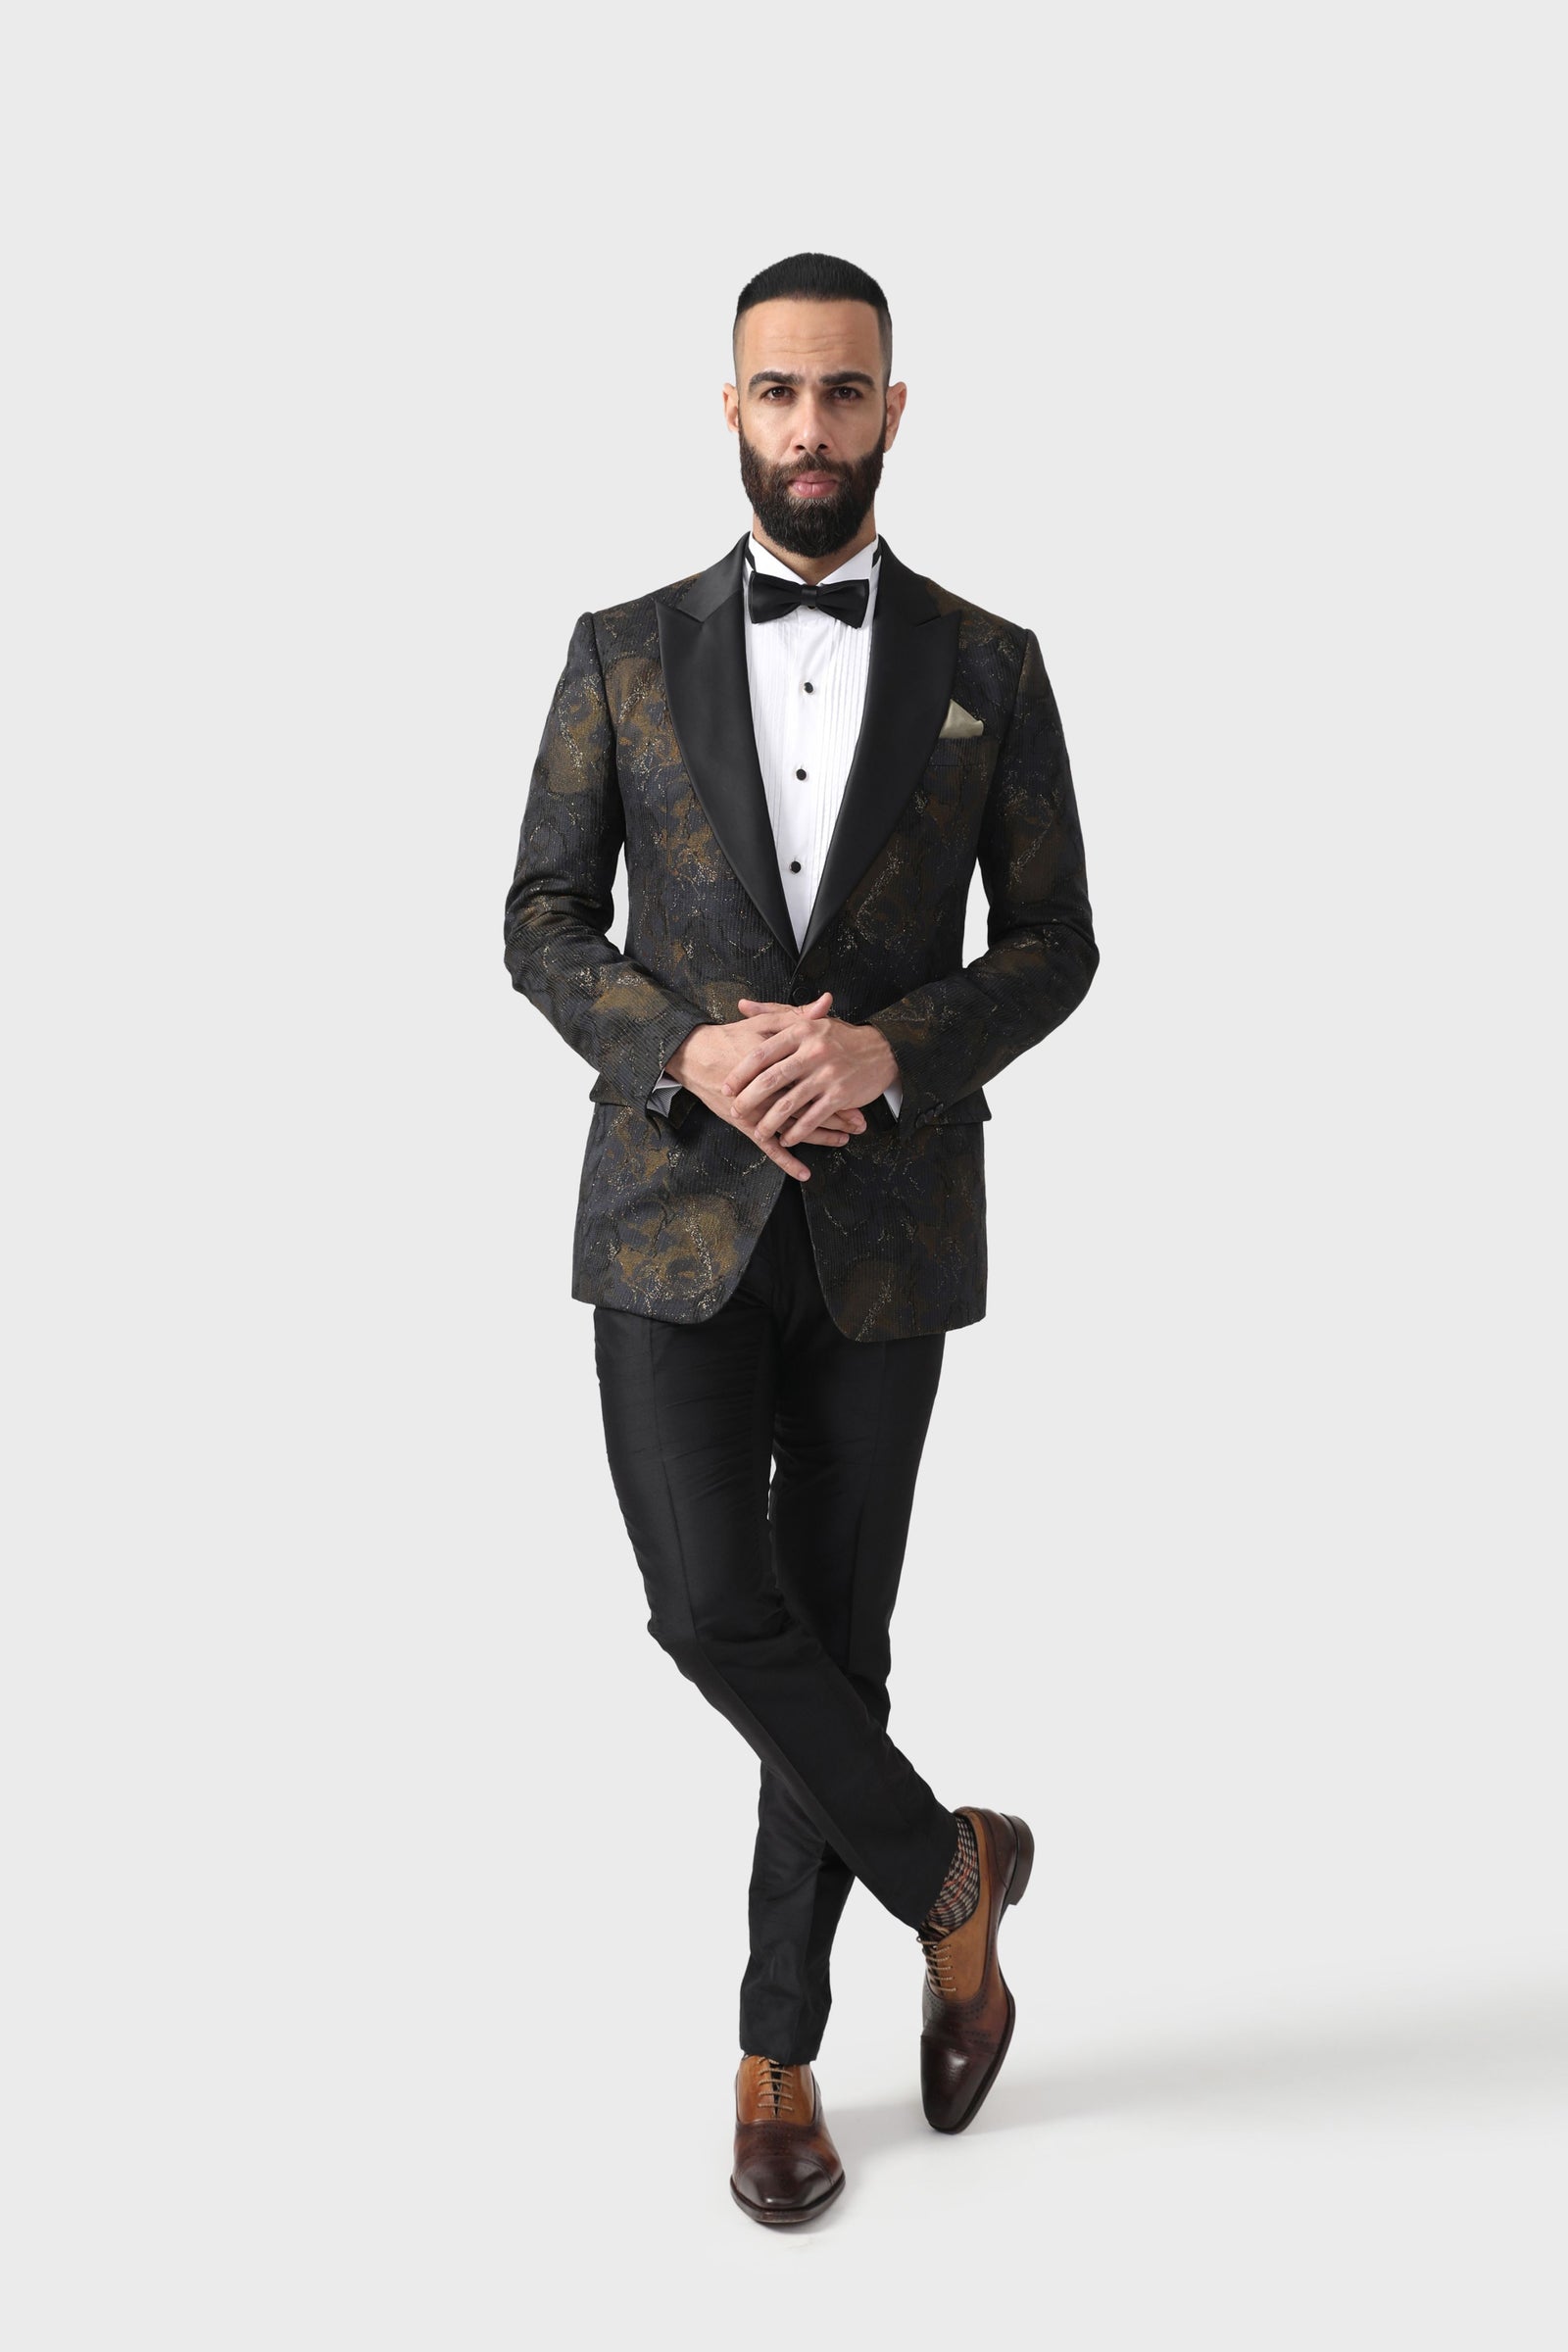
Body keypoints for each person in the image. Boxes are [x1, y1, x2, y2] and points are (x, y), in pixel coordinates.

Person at [503, 251, 1099, 2226]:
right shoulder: (616, 650)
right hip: (667, 1216)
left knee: (836, 1641)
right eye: (779, 392)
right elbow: (541, 923)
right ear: (731, 407)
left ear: (892, 412)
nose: (811, 429)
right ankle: (952, 1875)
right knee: (708, 1610)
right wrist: (681, 1046)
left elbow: (1053, 943)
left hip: (886, 1229)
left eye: (845, 393)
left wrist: (885, 1052)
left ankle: (775, 2058)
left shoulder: (991, 663)